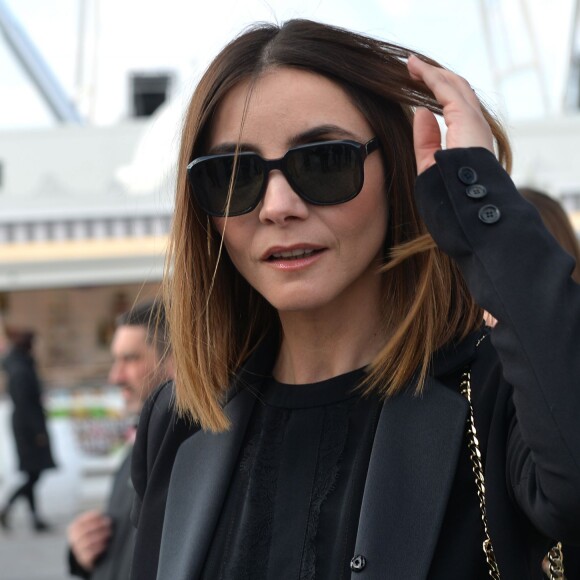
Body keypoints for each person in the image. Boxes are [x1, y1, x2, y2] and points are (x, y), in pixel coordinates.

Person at [129, 19, 580, 580]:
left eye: (323, 161)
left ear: (394, 169)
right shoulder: (177, 422)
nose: (277, 205)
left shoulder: (495, 394)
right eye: (234, 175)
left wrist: (480, 203)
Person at [67, 300, 173, 580]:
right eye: (116, 360)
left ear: (177, 359)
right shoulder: (142, 446)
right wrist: (85, 552)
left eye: (131, 358)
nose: (115, 376)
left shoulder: (201, 457)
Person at [0, 327, 56, 532]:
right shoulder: (21, 369)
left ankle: (34, 518)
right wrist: (38, 432)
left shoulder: (21, 366)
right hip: (28, 429)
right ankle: (7, 507)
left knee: (31, 473)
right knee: (33, 474)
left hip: (26, 426)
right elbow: (25, 404)